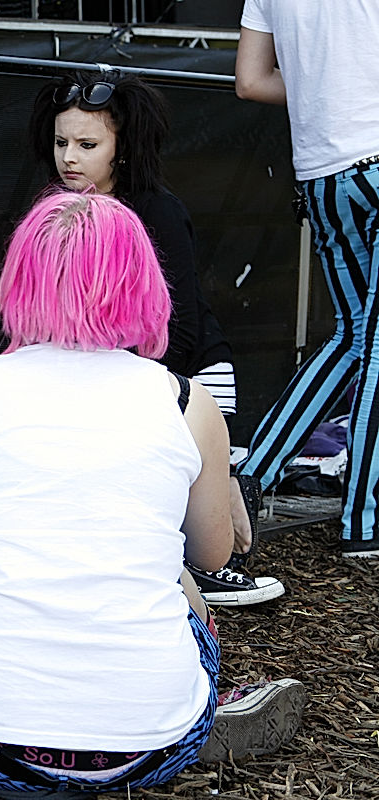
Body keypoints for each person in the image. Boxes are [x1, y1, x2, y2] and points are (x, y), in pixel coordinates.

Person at [0, 190, 305, 797]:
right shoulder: (185, 400)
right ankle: (186, 710)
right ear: (142, 282)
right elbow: (213, 556)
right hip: (148, 747)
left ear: (18, 278)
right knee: (174, 577)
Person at [28, 69, 284, 608]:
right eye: (61, 142)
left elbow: (183, 329)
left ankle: (205, 553)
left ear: (122, 149)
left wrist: (119, 381)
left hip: (184, 371)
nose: (69, 157)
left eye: (87, 144)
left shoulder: (159, 213)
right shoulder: (52, 210)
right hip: (105, 372)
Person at [235, 1, 379, 558]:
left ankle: (252, 474)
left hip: (322, 174)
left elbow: (250, 81)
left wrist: (329, 95)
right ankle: (363, 521)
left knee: (351, 335)